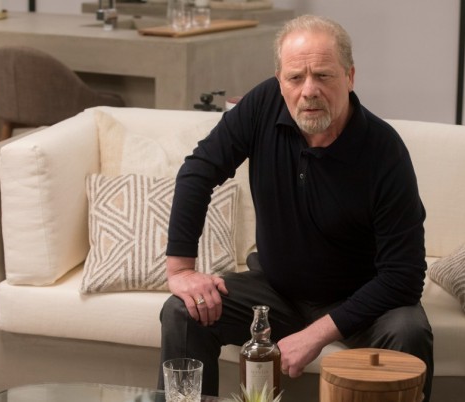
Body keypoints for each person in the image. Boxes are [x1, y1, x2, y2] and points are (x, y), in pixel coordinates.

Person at [159, 14, 434, 401]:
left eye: (323, 76)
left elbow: (404, 276)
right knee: (183, 311)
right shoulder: (262, 105)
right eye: (295, 78)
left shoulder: (384, 152)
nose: (309, 91)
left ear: (350, 77)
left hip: (362, 301)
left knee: (409, 332)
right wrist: (181, 270)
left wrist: (317, 334)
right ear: (280, 80)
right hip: (276, 291)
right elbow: (198, 171)